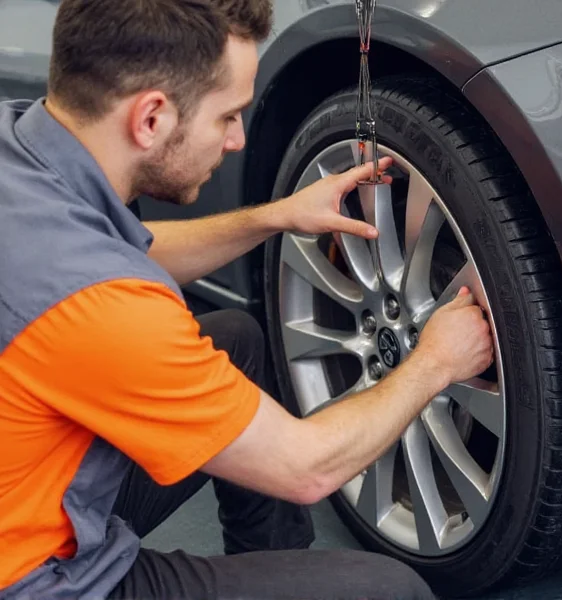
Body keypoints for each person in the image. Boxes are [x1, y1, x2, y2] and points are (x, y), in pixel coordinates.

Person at [0, 0, 495, 598]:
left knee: (235, 340)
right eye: (228, 116)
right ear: (150, 117)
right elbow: (305, 468)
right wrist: (436, 361)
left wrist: (276, 216)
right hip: (38, 579)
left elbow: (125, 250)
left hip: (31, 478)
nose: (238, 139)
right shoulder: (106, 310)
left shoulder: (19, 150)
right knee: (390, 591)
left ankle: (275, 565)